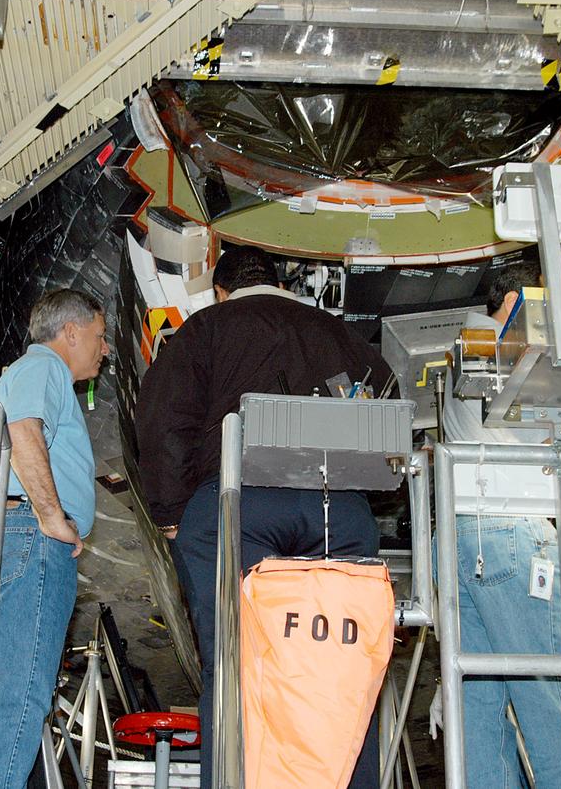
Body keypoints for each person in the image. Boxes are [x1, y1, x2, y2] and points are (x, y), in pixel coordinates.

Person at [135, 245, 390, 789]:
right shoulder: (335, 331)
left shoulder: (204, 329)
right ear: (277, 282)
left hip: (238, 503)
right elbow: (388, 413)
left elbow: (163, 418)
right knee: (345, 671)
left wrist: (174, 515)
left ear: (219, 290)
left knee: (234, 666)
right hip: (335, 508)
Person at [440, 256, 561, 788]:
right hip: (511, 534)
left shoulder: (464, 355)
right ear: (518, 302)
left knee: (479, 707)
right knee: (546, 695)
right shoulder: (511, 354)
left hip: (460, 541)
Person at [0, 289, 109, 789]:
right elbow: (23, 428)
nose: (104, 348)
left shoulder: (35, 374)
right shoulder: (43, 368)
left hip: (21, 536)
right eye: (98, 336)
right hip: (34, 538)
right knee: (22, 694)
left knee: (10, 690)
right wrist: (53, 517)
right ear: (70, 332)